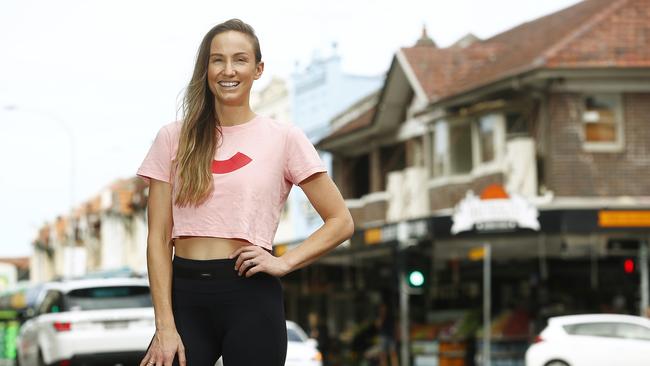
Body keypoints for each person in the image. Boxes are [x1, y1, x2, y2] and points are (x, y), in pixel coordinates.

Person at [136, 19, 354, 366]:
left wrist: (285, 262)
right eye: (217, 60)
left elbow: (340, 221)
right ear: (205, 69)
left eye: (240, 59)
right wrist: (164, 325)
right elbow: (158, 238)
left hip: (251, 297)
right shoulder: (172, 138)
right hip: (185, 297)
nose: (228, 70)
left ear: (258, 69)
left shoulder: (284, 138)